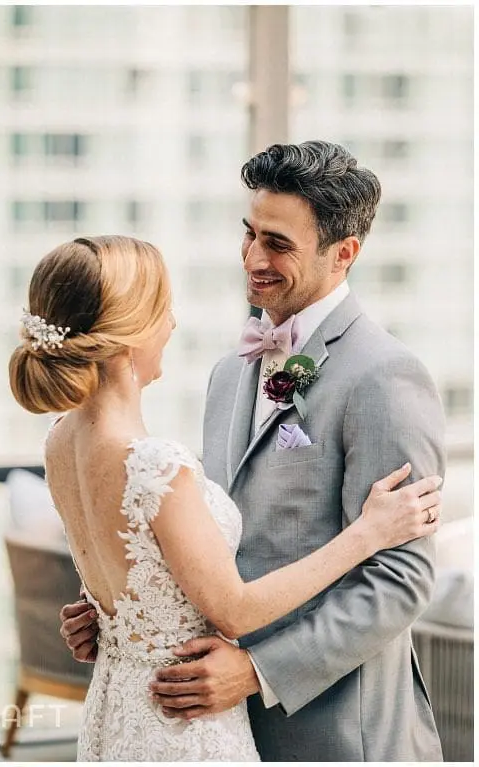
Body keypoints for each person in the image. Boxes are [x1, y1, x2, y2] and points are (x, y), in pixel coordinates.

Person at [57, 142, 446, 761]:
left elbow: (400, 579)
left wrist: (260, 670)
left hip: (336, 727)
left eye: (279, 244)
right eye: (250, 234)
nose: (253, 258)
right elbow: (203, 539)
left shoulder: (387, 377)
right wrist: (119, 606)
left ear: (343, 253)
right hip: (214, 718)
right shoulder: (228, 373)